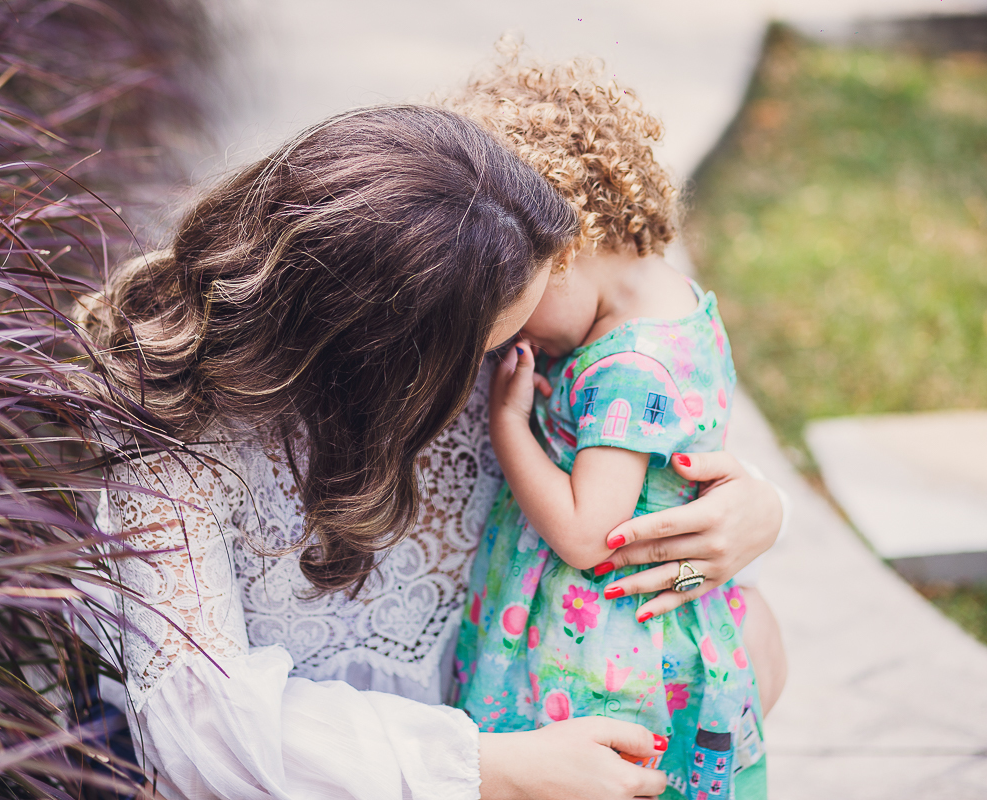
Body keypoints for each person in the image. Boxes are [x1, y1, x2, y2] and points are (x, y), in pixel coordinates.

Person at [77, 102, 785, 800]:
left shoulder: (497, 351)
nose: (515, 361)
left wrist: (752, 508)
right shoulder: (177, 437)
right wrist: (489, 769)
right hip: (325, 779)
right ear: (390, 357)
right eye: (491, 345)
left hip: (507, 714)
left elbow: (633, 441)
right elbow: (200, 727)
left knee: (755, 639)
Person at [444, 50, 769, 799]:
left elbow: (592, 534)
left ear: (565, 250)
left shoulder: (630, 367)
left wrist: (509, 428)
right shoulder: (670, 299)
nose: (507, 334)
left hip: (600, 662)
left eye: (512, 297)